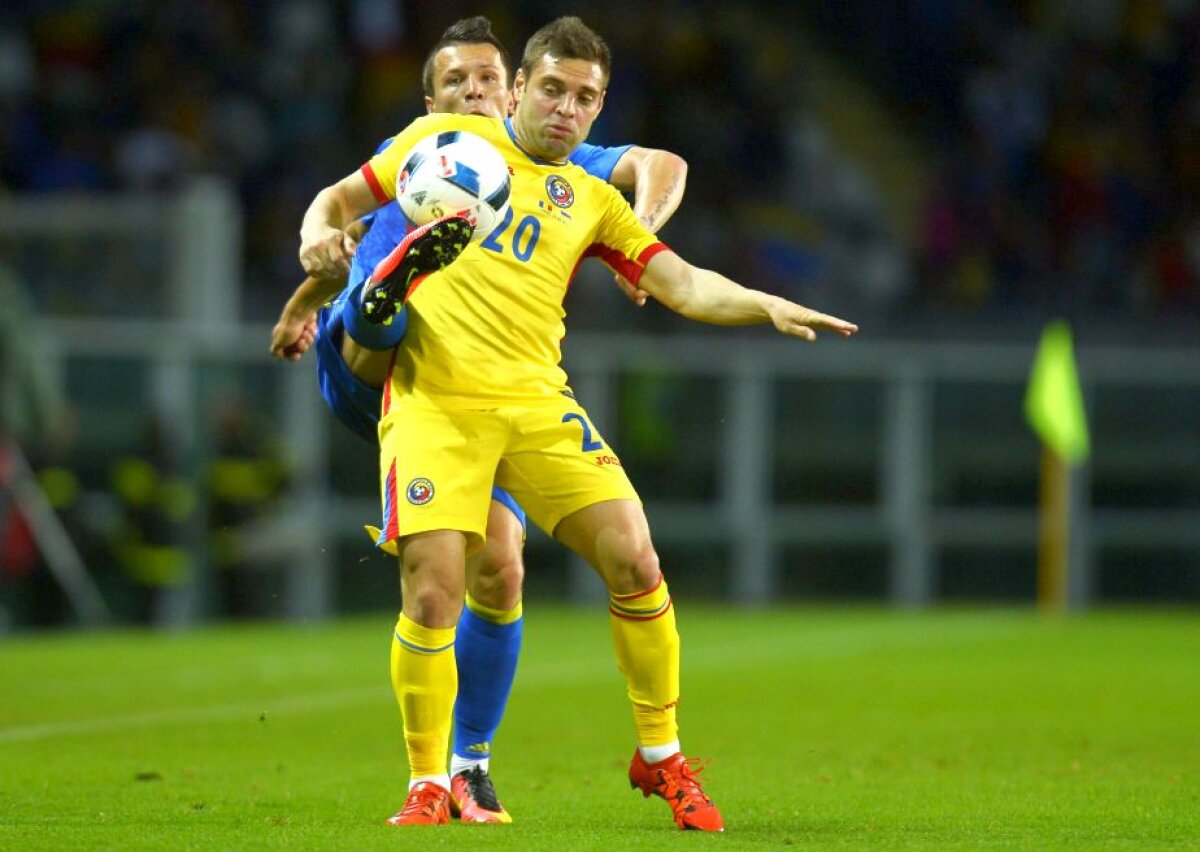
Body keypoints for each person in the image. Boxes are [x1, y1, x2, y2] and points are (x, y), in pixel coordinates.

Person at [298, 16, 857, 831]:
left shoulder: (592, 199)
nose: (565, 108)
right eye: (552, 89)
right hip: (435, 401)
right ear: (518, 89)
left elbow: (685, 285)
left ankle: (660, 756)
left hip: (534, 404)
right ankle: (428, 785)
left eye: (584, 98)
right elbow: (342, 198)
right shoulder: (446, 138)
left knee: (635, 555)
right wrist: (317, 233)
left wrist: (762, 303)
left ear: (599, 111)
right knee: (434, 591)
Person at [269, 16, 689, 825]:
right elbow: (345, 226)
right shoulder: (433, 147)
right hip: (375, 370)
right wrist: (301, 301)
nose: (473, 92)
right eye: (454, 82)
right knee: (385, 308)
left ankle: (468, 767)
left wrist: (642, 246)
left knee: (500, 566)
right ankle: (383, 304)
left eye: (487, 79)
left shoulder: (539, 154)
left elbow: (659, 164)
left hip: (469, 391)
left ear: (514, 90)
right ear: (429, 102)